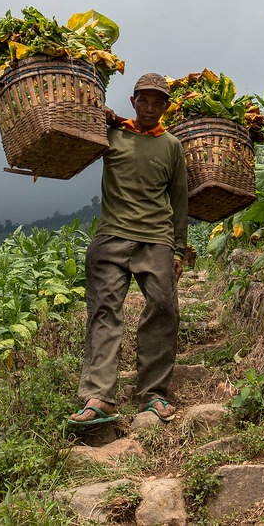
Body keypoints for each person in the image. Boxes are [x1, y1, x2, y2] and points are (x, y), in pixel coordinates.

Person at [68, 73, 189, 426]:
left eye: (158, 102)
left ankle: (152, 393)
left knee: (164, 307)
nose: (150, 108)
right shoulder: (113, 134)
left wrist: (178, 251)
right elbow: (77, 131)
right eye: (144, 100)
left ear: (166, 107)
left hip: (156, 238)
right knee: (104, 310)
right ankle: (98, 396)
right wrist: (96, 112)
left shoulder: (171, 146)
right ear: (133, 101)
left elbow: (179, 202)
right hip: (111, 237)